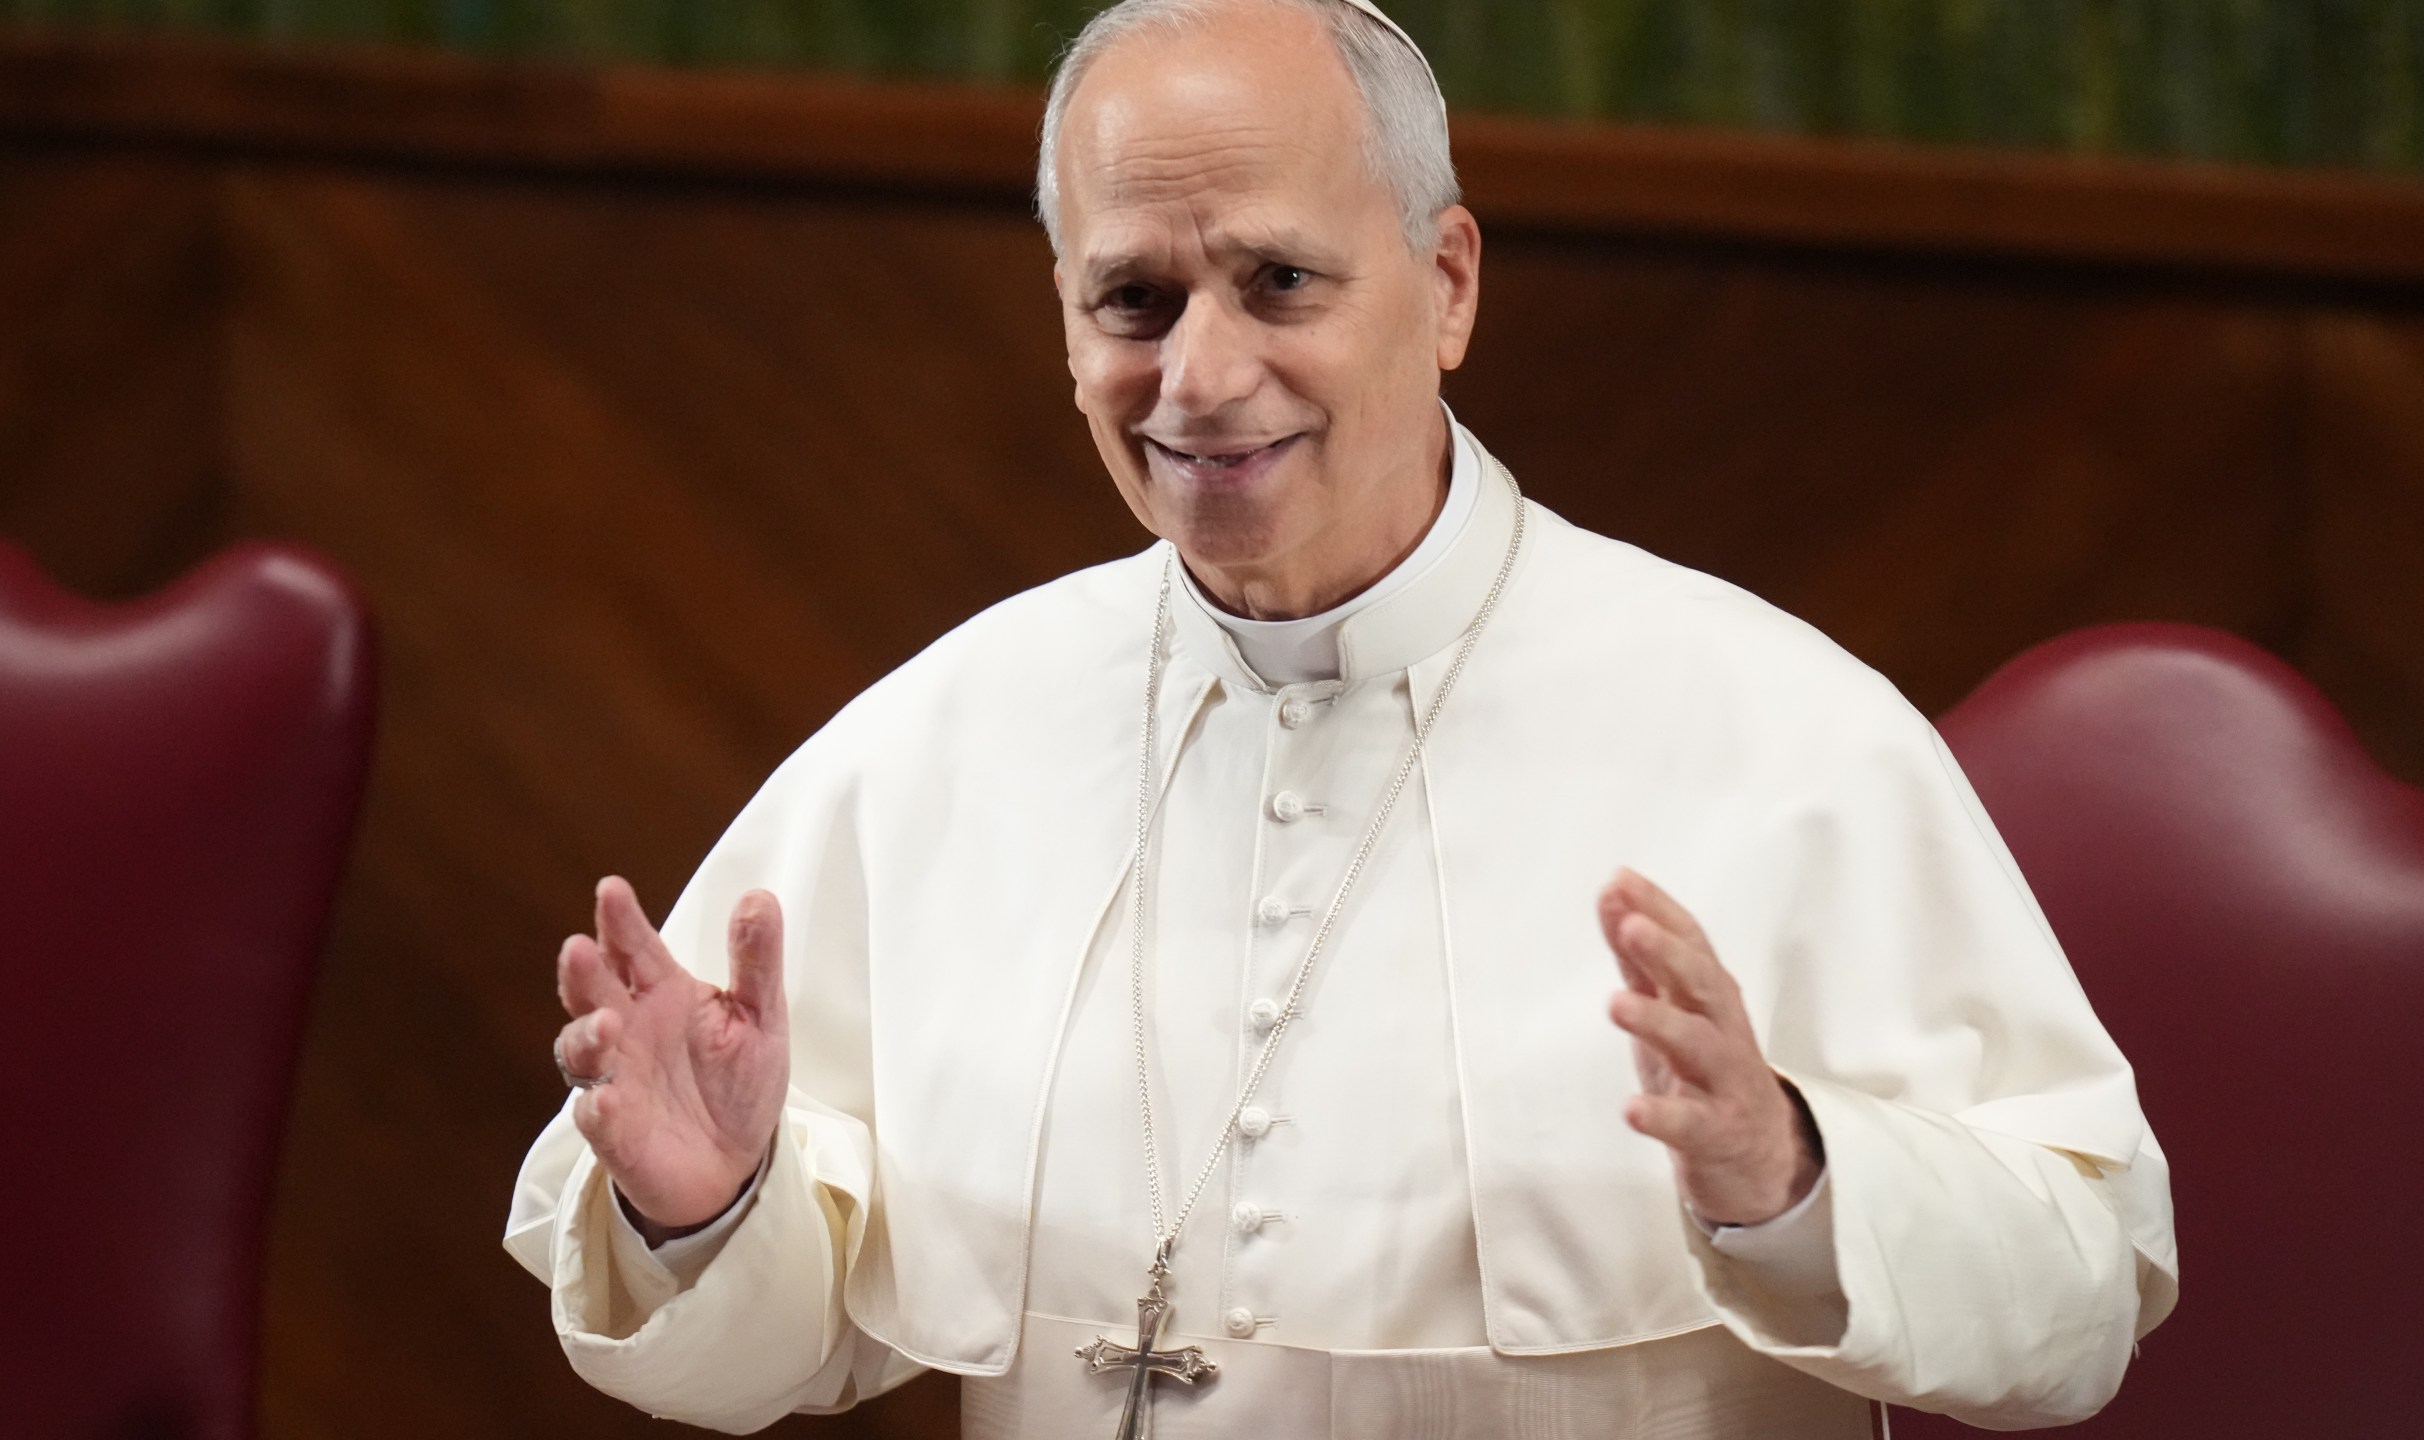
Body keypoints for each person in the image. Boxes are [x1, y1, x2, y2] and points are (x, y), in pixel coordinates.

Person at [505, 2, 2177, 1435]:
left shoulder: (1782, 730)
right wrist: (710, 1206)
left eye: (1280, 282)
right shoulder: (935, 744)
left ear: (1444, 284)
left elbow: (2081, 1298)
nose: (1201, 378)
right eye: (1134, 303)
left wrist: (1797, 1177)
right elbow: (786, 1352)